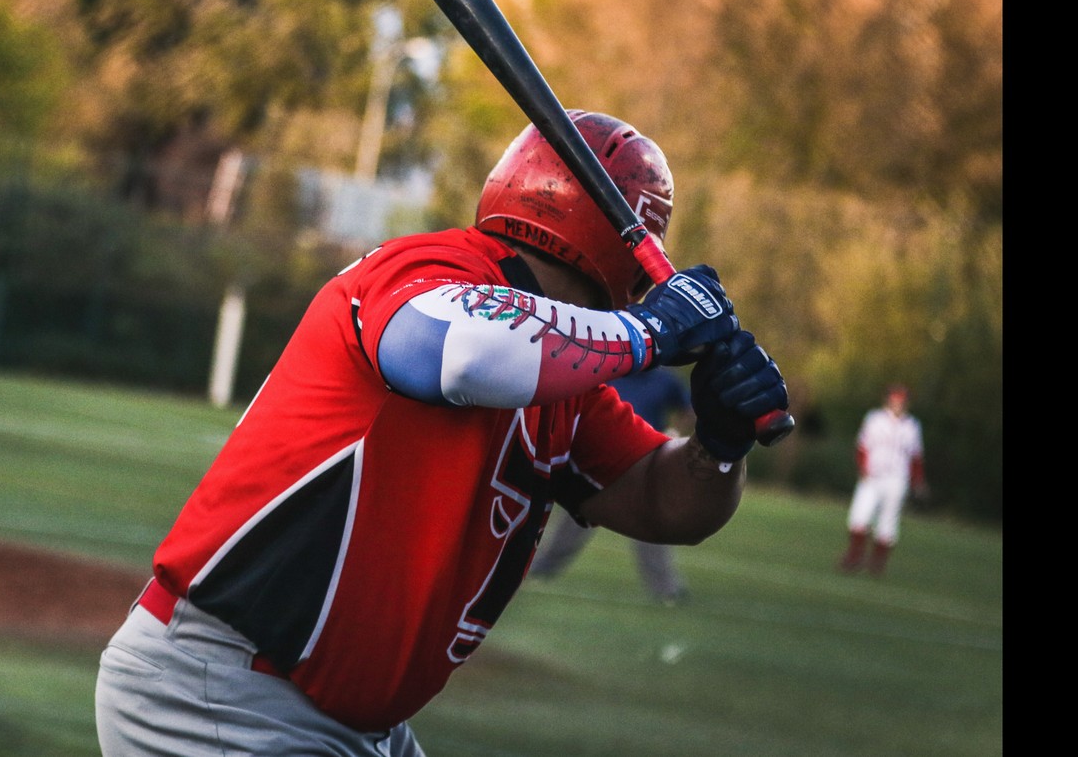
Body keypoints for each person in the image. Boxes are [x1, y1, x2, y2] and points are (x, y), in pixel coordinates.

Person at [93, 113, 789, 757]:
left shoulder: (570, 381)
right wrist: (652, 332)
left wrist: (719, 445)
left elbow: (664, 504)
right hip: (222, 692)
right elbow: (446, 352)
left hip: (359, 726)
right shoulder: (430, 269)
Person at [525, 366, 695, 605]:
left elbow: (688, 409)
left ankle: (667, 589)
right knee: (574, 522)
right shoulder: (611, 370)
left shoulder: (664, 379)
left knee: (649, 525)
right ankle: (539, 571)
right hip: (599, 459)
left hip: (644, 462)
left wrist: (675, 432)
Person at [837, 384, 928, 577]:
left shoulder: (912, 425)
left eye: (900, 401)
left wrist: (918, 480)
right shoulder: (875, 419)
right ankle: (855, 557)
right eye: (894, 400)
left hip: (897, 478)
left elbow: (916, 456)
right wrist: (862, 468)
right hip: (873, 475)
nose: (897, 404)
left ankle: (877, 564)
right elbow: (862, 446)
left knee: (888, 522)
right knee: (859, 516)